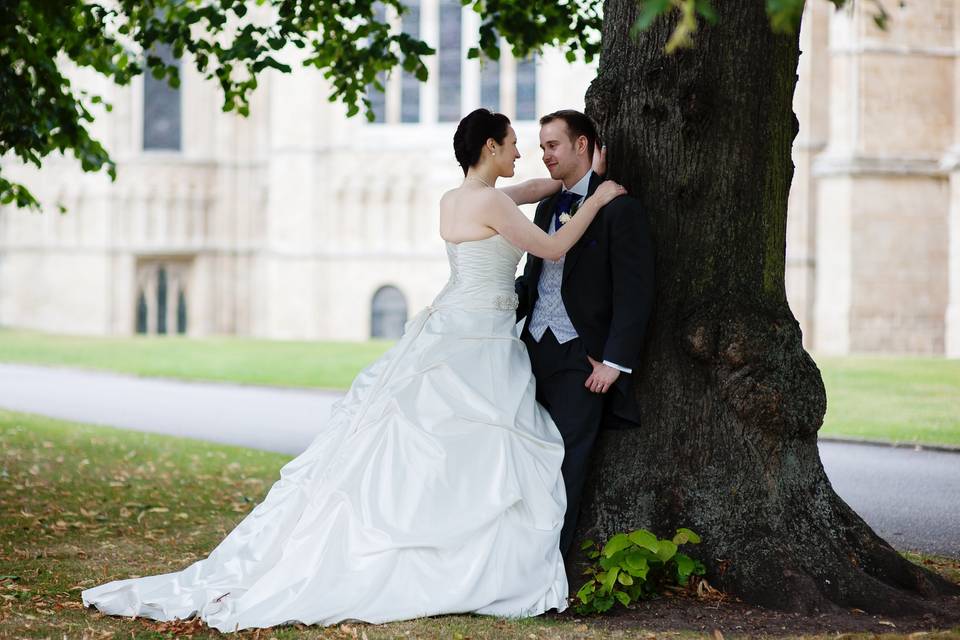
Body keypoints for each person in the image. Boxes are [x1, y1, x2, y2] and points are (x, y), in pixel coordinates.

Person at [81, 108, 626, 632]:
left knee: (443, 443)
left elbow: (535, 191)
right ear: (490, 146)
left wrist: (577, 182)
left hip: (455, 328)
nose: (521, 152)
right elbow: (553, 245)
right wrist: (598, 198)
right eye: (512, 143)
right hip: (477, 340)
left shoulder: (458, 198)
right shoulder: (495, 205)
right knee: (469, 448)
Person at [516, 110, 655, 559]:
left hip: (583, 362)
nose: (544, 155)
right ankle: (514, 557)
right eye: (541, 147)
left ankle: (545, 569)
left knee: (568, 468)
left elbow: (634, 291)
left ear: (582, 145)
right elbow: (533, 279)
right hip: (531, 353)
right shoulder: (546, 207)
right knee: (523, 458)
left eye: (552, 145)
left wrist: (614, 363)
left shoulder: (619, 209)